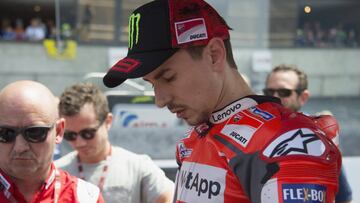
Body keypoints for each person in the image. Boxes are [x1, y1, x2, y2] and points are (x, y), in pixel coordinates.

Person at [102, 0, 341, 202]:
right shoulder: (196, 138)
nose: (160, 101)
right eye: (152, 84)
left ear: (214, 55)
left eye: (168, 77)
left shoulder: (285, 141)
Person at [55, 82, 174, 203]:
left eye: (88, 133)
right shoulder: (56, 172)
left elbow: (169, 197)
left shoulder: (138, 167)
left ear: (108, 121)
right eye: (70, 135)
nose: (79, 143)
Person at [0, 80, 104, 203]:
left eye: (35, 133)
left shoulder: (85, 198)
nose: (20, 147)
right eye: (5, 133)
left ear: (59, 131)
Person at [264, 64, 353, 203]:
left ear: (303, 97)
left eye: (284, 92)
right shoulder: (251, 135)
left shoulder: (322, 139)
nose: (275, 97)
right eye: (269, 92)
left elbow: (344, 199)